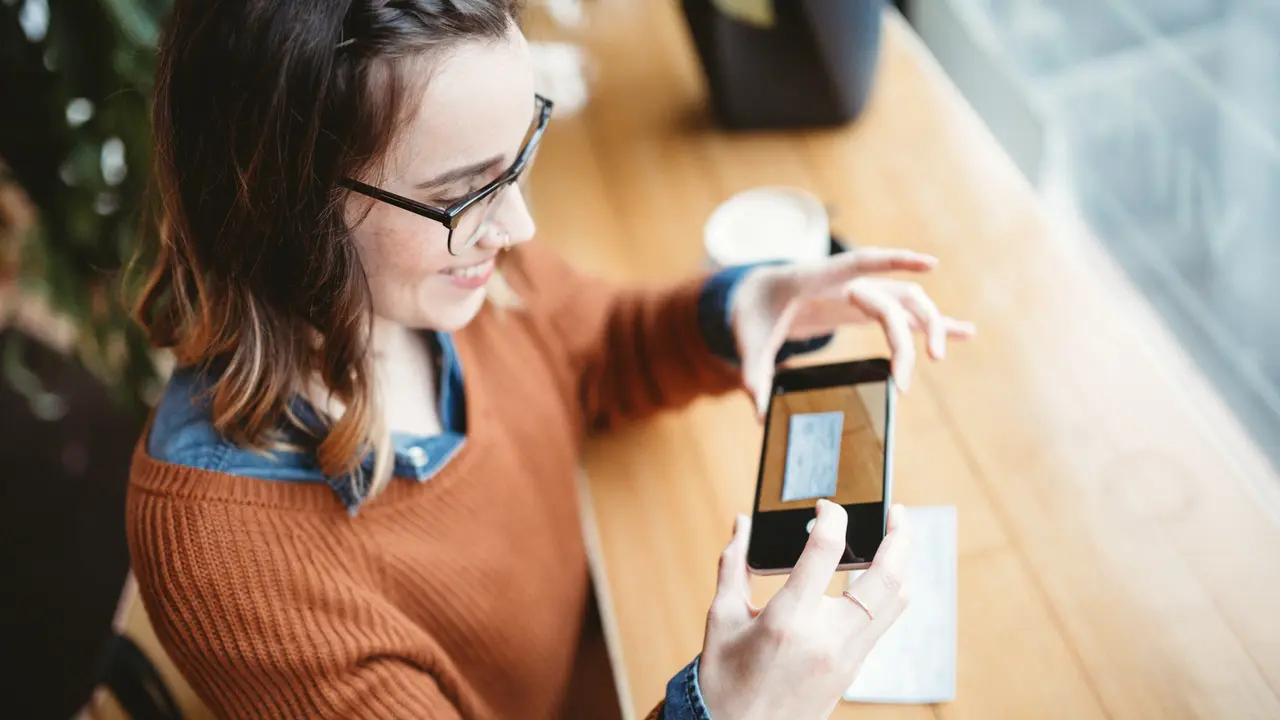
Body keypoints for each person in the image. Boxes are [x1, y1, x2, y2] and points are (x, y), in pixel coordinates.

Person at [125, 1, 975, 718]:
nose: (521, 227)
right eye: (463, 193)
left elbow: (595, 347)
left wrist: (740, 308)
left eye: (521, 154)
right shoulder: (229, 560)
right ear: (280, 203)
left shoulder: (441, 273)